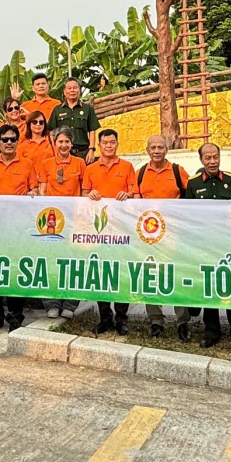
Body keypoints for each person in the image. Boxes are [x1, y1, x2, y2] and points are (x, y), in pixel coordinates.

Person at [181, 142, 231, 350]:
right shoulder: (193, 183)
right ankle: (211, 331)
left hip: (228, 242)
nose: (212, 161)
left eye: (215, 157)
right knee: (210, 287)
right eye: (207, 158)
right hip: (205, 244)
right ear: (201, 160)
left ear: (220, 158)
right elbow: (188, 214)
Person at [0, 125, 38, 334]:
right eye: (5, 139)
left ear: (17, 141)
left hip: (18, 227)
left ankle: (15, 317)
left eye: (13, 139)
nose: (9, 142)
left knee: (15, 271)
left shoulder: (28, 164)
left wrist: (33, 194)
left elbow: (34, 190)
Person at [131, 134, 189, 336]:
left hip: (173, 234)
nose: (157, 151)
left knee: (176, 274)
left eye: (160, 147)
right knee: (150, 275)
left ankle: (182, 321)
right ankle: (156, 320)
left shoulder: (177, 171)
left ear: (167, 149)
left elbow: (192, 199)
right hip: (149, 236)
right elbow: (134, 202)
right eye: (153, 147)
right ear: (147, 150)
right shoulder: (139, 174)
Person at [84, 128, 138, 335]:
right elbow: (83, 194)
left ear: (117, 144)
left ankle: (121, 318)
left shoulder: (126, 166)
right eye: (105, 143)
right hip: (98, 230)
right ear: (99, 145)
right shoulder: (91, 168)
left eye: (112, 142)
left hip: (121, 229)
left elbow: (134, 192)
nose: (108, 146)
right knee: (101, 273)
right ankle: (104, 317)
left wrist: (128, 194)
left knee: (121, 272)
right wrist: (91, 194)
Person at [36, 128, 87, 319]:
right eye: (60, 142)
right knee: (51, 261)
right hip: (53, 221)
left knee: (73, 261)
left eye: (67, 142)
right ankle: (52, 303)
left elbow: (83, 190)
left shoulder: (80, 163)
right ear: (54, 143)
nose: (63, 145)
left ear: (72, 144)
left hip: (74, 220)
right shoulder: (46, 163)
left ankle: (70, 304)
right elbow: (42, 190)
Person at [49, 77, 100, 161]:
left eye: (75, 88)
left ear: (79, 91)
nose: (72, 90)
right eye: (69, 88)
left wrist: (91, 150)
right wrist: (55, 149)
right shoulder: (57, 110)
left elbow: (92, 130)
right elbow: (52, 132)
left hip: (83, 153)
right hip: (63, 153)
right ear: (65, 92)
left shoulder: (87, 109)